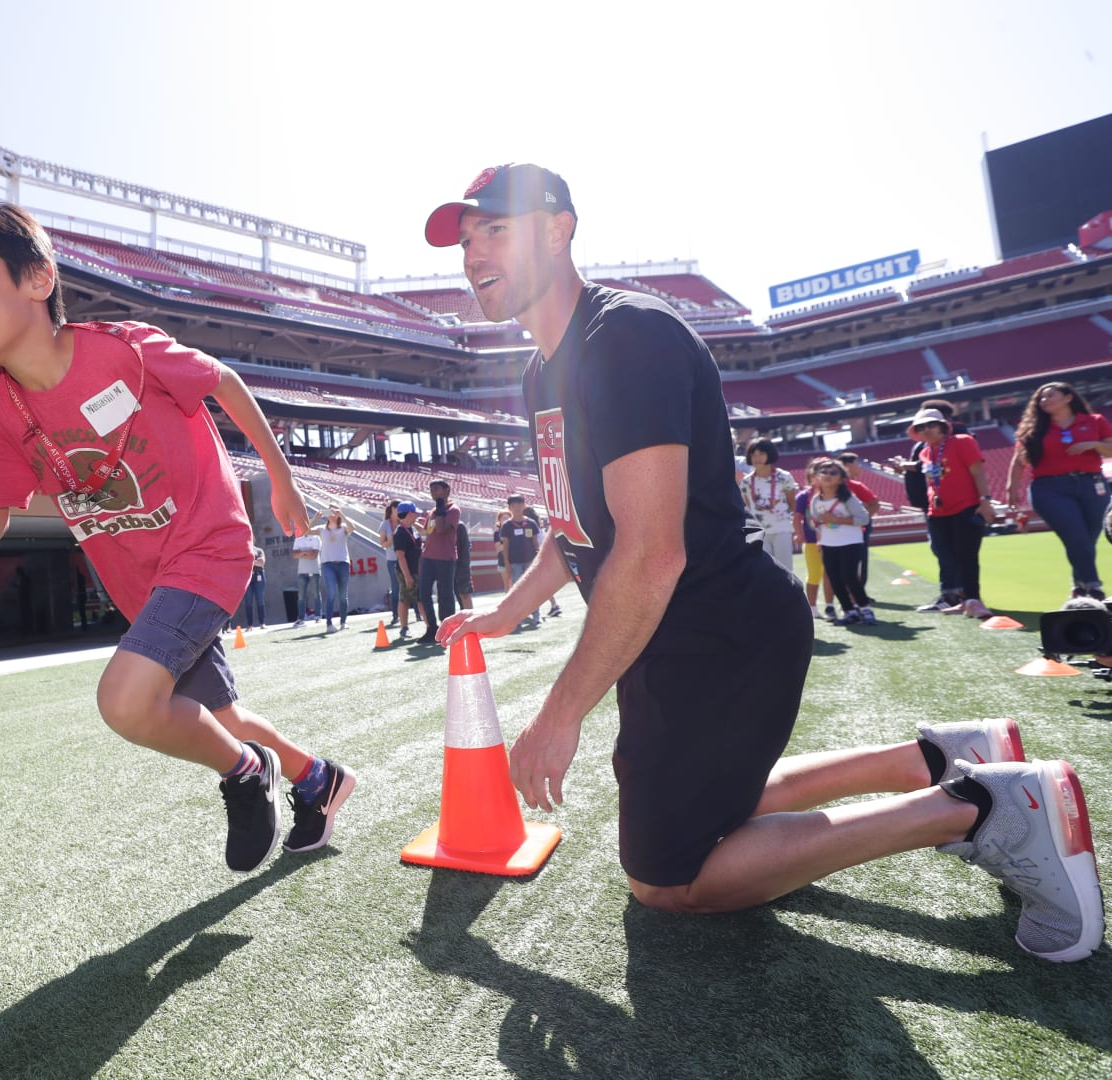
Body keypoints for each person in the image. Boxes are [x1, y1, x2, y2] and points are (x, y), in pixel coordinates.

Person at [423, 161, 1102, 961]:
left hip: (716, 627)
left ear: (561, 229)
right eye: (466, 241)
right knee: (717, 814)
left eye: (494, 231)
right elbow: (577, 522)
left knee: (668, 879)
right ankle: (943, 757)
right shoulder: (545, 367)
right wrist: (510, 608)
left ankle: (985, 809)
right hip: (678, 630)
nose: (473, 255)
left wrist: (559, 714)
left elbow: (649, 554)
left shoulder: (623, 337)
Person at [0, 203, 353, 872]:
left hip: (206, 549)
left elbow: (226, 382)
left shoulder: (126, 349)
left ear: (38, 280)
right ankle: (317, 781)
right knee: (215, 715)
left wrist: (282, 479)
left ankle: (245, 774)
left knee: (125, 701)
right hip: (141, 581)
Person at [1006, 381, 1112, 602]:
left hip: (1092, 484)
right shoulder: (1034, 428)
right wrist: (1012, 488)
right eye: (1041, 398)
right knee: (1077, 536)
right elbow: (1018, 462)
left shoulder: (1094, 421)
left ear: (1068, 397)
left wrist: (1093, 444)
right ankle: (1094, 588)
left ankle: (1079, 587)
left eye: (1050, 396)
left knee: (1086, 540)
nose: (1044, 401)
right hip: (1049, 488)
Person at [910, 407, 996, 618]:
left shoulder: (963, 441)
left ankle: (974, 599)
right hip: (937, 512)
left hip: (965, 506)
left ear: (942, 426)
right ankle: (962, 600)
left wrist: (985, 501)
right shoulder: (925, 451)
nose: (926, 430)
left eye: (931, 425)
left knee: (967, 556)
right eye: (921, 427)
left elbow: (978, 472)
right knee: (949, 556)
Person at [807, 458, 875, 626]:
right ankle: (849, 611)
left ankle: (865, 609)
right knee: (835, 579)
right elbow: (816, 519)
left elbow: (864, 518)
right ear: (816, 476)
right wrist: (821, 537)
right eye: (823, 472)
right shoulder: (816, 500)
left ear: (842, 478)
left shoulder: (848, 498)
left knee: (849, 576)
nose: (827, 475)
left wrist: (837, 519)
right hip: (829, 544)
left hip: (851, 542)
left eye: (833, 473)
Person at [738, 437, 798, 575]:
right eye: (753, 455)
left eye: (761, 454)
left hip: (781, 528)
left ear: (769, 454)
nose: (757, 458)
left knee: (785, 570)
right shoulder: (746, 482)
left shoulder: (784, 477)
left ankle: (787, 597)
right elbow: (748, 508)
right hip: (757, 532)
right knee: (763, 571)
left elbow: (792, 503)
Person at [417, 479, 461, 643]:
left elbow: (442, 529)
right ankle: (432, 628)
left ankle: (448, 629)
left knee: (446, 595)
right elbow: (428, 531)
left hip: (445, 558)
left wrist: (441, 509)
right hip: (428, 557)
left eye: (436, 489)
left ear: (446, 490)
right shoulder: (432, 511)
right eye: (431, 490)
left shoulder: (453, 510)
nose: (433, 493)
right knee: (423, 594)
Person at [834, 451, 882, 601]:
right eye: (856, 463)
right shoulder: (836, 486)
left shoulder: (856, 486)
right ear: (847, 466)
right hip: (835, 531)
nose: (859, 467)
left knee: (859, 561)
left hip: (858, 530)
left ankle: (858, 593)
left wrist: (860, 519)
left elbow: (874, 504)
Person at [793, 459, 836, 620]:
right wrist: (798, 533)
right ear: (810, 476)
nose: (822, 477)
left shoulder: (833, 494)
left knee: (830, 574)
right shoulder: (804, 496)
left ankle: (830, 606)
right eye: (817, 473)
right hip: (811, 541)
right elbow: (797, 518)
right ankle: (811, 606)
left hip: (832, 540)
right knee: (814, 574)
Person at [499, 494, 545, 625]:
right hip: (515, 563)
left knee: (532, 588)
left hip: (530, 561)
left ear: (524, 505)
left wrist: (538, 560)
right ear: (509, 508)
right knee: (517, 590)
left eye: (520, 504)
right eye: (514, 505)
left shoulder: (530, 523)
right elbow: (505, 546)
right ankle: (518, 618)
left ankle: (536, 615)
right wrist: (507, 563)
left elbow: (535, 544)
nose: (517, 508)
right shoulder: (507, 525)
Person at [318, 506, 354, 632]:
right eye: (330, 511)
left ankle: (343, 622)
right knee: (331, 592)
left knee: (343, 595)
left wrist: (342, 515)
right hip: (327, 564)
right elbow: (305, 531)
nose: (332, 514)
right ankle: (329, 624)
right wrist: (314, 518)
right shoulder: (322, 529)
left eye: (334, 512)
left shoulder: (343, 527)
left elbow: (353, 528)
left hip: (343, 563)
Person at [392, 501, 423, 640]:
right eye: (415, 513)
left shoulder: (411, 528)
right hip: (407, 570)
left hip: (415, 569)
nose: (417, 515)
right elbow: (400, 556)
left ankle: (429, 625)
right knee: (406, 598)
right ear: (410, 513)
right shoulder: (400, 532)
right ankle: (404, 628)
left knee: (418, 597)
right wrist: (407, 576)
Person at [292, 519, 322, 626]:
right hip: (302, 571)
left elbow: (314, 555)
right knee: (301, 595)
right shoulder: (297, 539)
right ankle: (301, 618)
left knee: (316, 594)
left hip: (314, 570)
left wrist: (301, 553)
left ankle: (318, 616)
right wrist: (306, 552)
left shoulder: (316, 538)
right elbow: (294, 555)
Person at [378, 500, 402, 609]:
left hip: (406, 558)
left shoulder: (403, 521)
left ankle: (416, 612)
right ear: (393, 509)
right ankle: (395, 614)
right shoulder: (385, 524)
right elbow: (382, 544)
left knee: (410, 586)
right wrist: (392, 539)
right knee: (395, 587)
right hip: (392, 559)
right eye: (398, 508)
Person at [243, 542, 267, 629]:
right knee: (248, 602)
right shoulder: (243, 550)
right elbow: (242, 563)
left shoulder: (259, 550)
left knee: (260, 600)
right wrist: (255, 561)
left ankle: (262, 623)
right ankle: (250, 625)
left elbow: (261, 563)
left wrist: (249, 561)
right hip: (247, 577)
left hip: (259, 576)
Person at [454, 518, 474, 610]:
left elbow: (465, 550)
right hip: (447, 566)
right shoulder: (440, 525)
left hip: (460, 566)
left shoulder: (459, 526)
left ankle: (470, 618)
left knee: (464, 594)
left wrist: (464, 567)